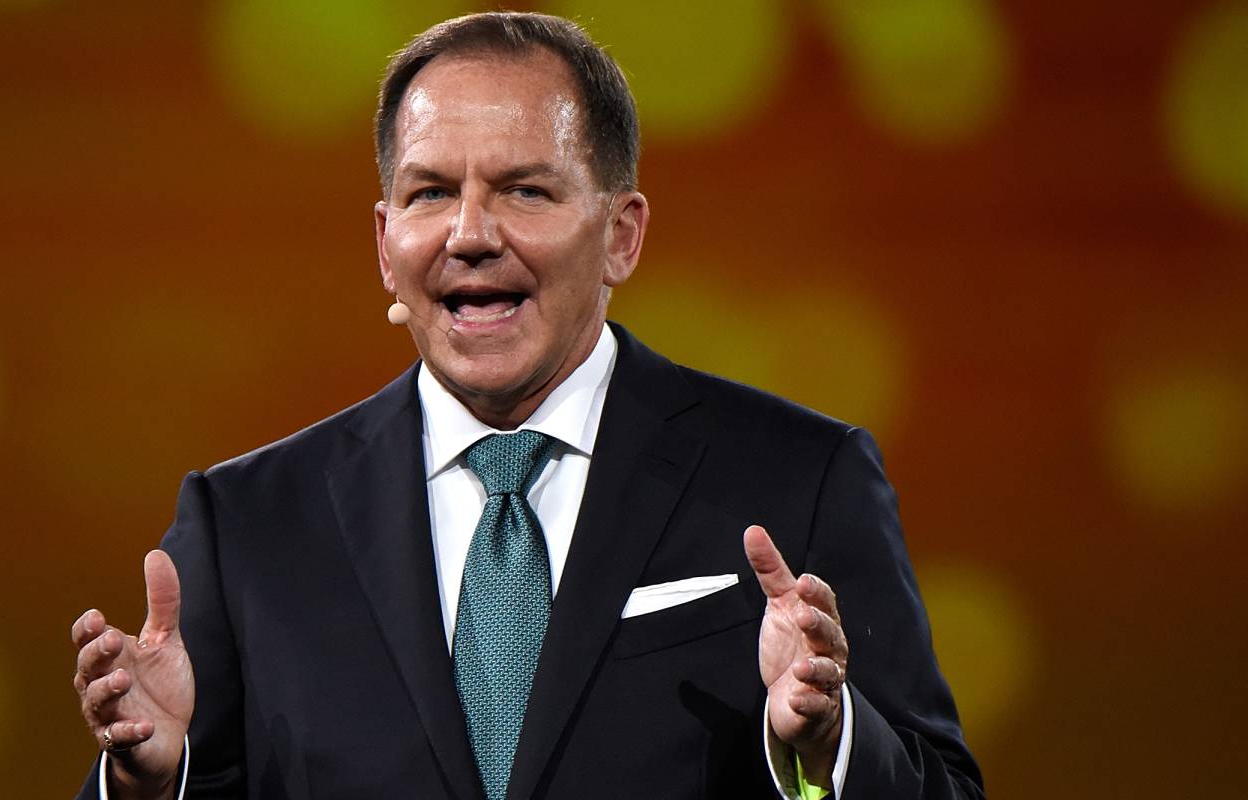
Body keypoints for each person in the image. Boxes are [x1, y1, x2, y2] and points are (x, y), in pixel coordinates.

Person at [70, 11, 982, 799]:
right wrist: (150, 781)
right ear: (388, 247)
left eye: (524, 190)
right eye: (431, 193)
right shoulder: (247, 526)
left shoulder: (799, 478)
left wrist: (828, 748)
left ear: (621, 235)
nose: (470, 234)